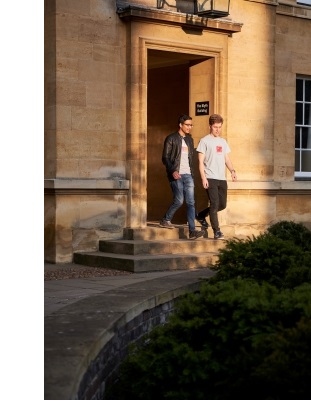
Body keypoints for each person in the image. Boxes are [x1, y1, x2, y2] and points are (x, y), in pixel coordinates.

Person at [160, 114, 204, 240]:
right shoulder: (171, 138)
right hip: (176, 173)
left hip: (188, 174)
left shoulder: (190, 140)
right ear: (181, 125)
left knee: (191, 202)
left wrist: (192, 173)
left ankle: (192, 231)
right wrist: (173, 170)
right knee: (179, 200)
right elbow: (165, 157)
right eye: (187, 125)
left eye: (191, 125)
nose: (190, 127)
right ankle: (165, 219)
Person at [196, 114, 237, 239]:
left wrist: (232, 171)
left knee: (222, 204)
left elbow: (227, 159)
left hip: (221, 178)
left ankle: (201, 215)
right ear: (210, 126)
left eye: (219, 127)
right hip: (210, 177)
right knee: (214, 204)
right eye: (215, 127)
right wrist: (204, 178)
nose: (218, 130)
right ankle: (217, 231)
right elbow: (200, 162)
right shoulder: (204, 141)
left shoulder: (223, 141)